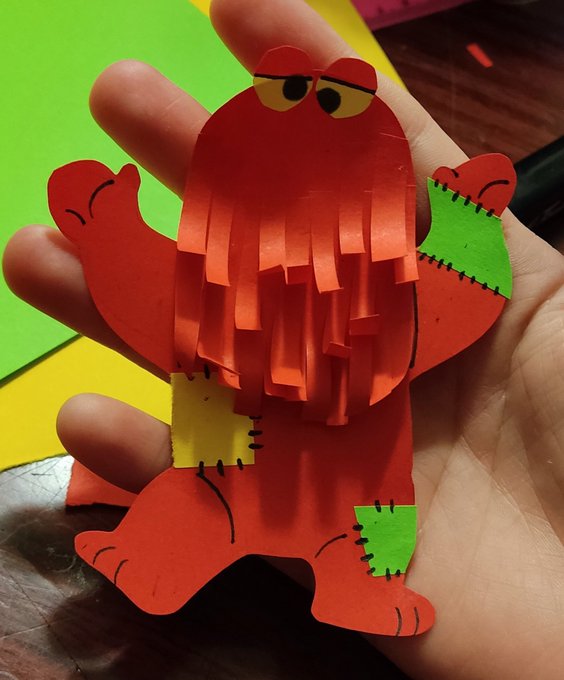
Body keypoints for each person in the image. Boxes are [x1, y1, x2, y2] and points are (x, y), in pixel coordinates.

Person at [3, 0, 564, 678]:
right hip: (226, 456)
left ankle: (355, 587)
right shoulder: (211, 287)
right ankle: (153, 559)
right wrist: (110, 232)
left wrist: (468, 224)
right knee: (196, 500)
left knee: (361, 531)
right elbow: (147, 295)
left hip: (350, 487)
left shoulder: (388, 304)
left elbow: (460, 300)